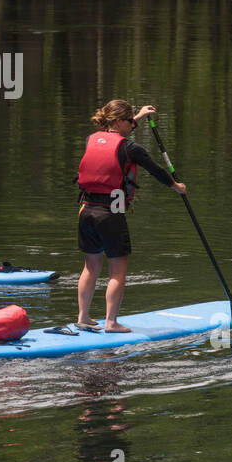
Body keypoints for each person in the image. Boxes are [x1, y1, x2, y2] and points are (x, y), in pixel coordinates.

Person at [76, 100, 187, 332]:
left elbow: (113, 139)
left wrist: (139, 115)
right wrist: (176, 186)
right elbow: (157, 171)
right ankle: (111, 322)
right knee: (117, 272)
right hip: (111, 214)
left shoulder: (91, 139)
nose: (132, 125)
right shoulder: (131, 149)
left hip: (86, 211)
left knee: (90, 268)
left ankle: (83, 317)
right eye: (129, 121)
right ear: (118, 121)